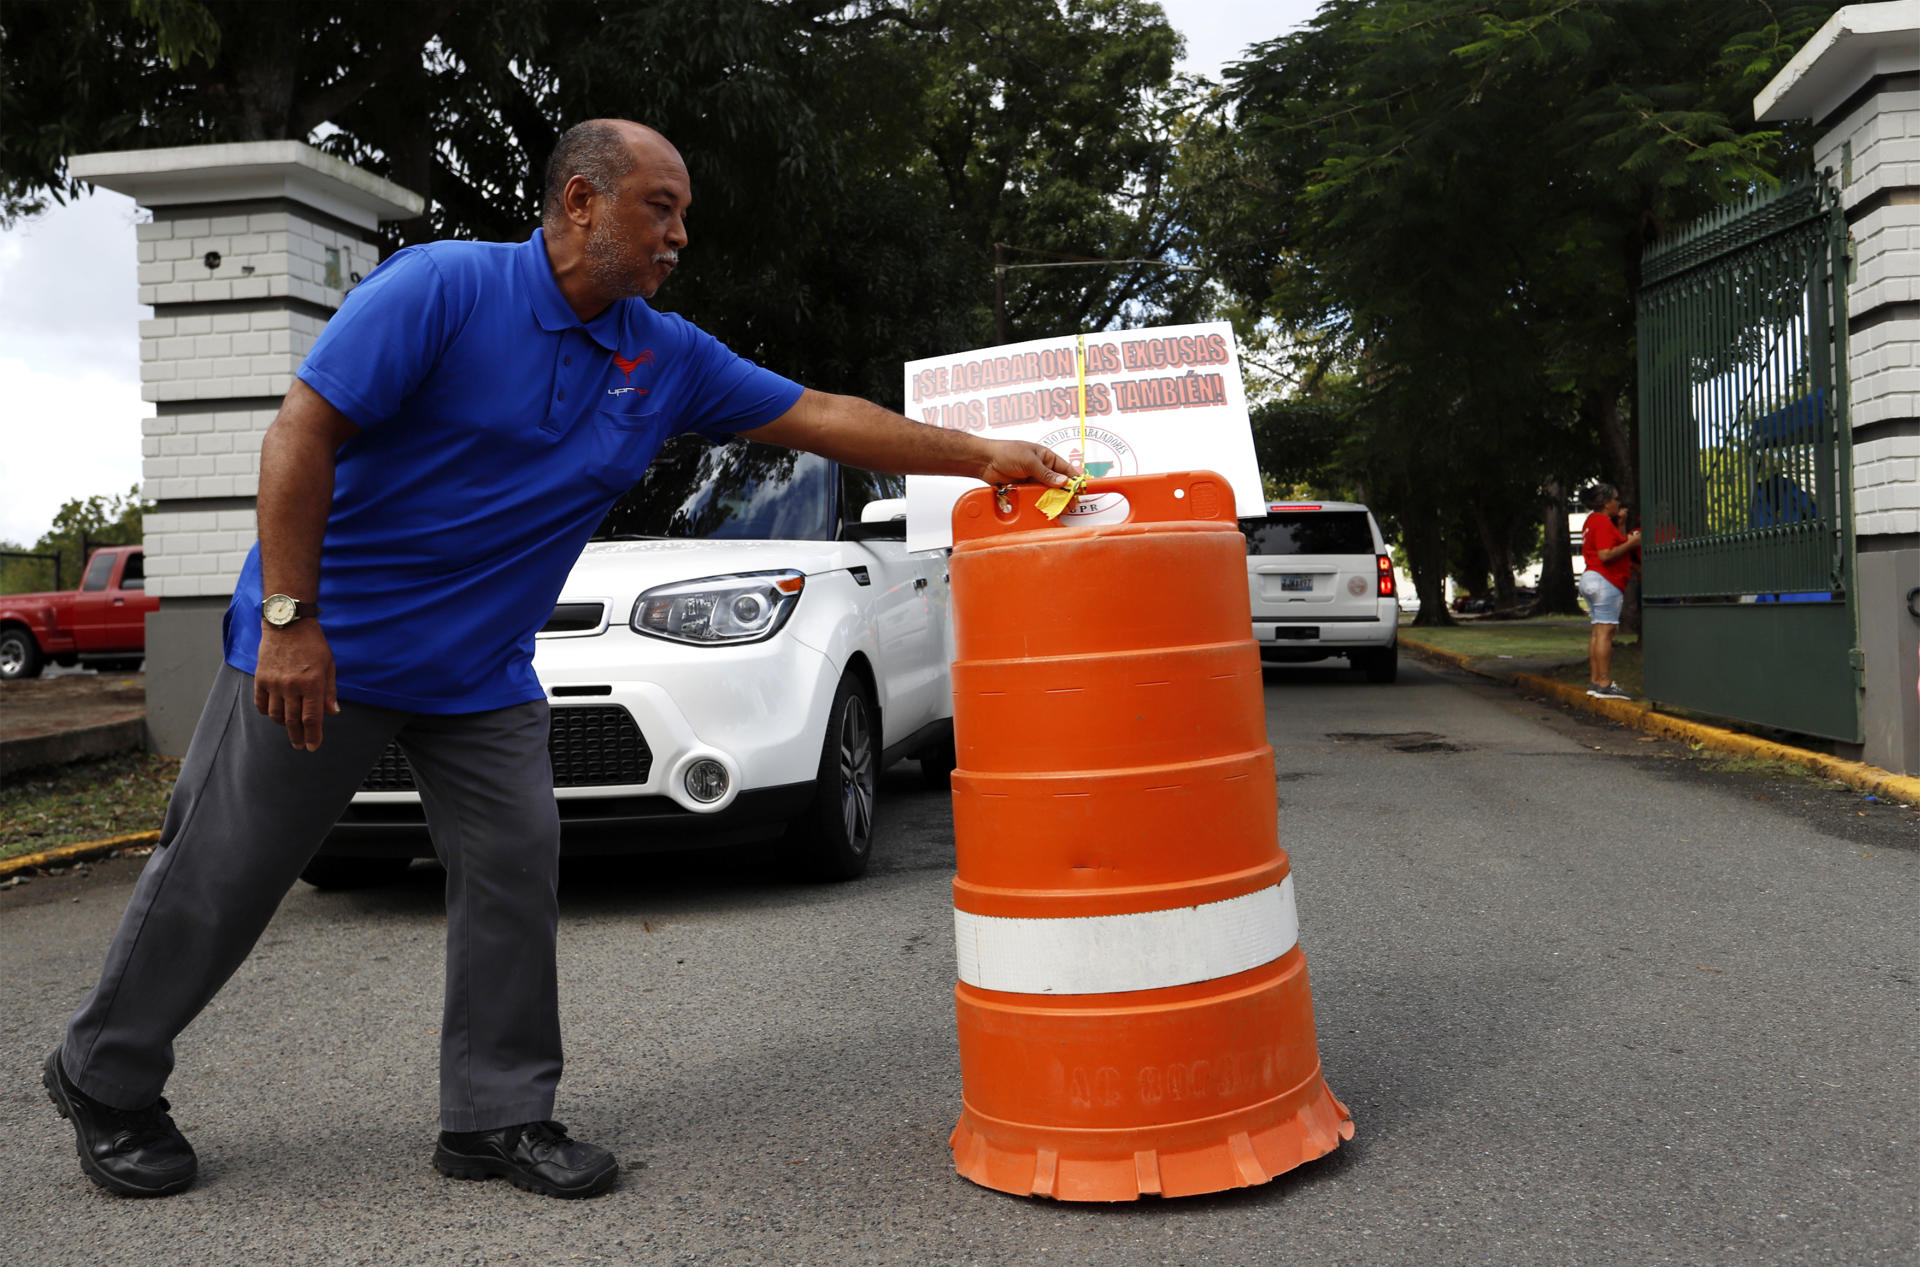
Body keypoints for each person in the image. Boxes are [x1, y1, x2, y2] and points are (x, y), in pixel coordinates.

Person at [43, 119, 1076, 1202]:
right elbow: (298, 434)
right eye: (659, 208)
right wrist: (293, 623)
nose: (679, 235)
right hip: (330, 645)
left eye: (684, 215)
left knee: (513, 867)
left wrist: (977, 455)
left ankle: (497, 1115)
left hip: (480, 670)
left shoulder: (661, 354)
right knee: (225, 870)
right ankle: (104, 1074)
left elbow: (819, 414)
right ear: (580, 201)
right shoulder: (441, 290)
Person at [1578, 483, 1640, 700]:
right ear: (1606, 503)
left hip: (1592, 579)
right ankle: (1605, 682)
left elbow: (1617, 545)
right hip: (1605, 581)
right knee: (1606, 633)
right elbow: (1606, 554)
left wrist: (1622, 527)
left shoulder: (1593, 521)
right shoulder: (1603, 522)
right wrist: (1634, 542)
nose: (1618, 503)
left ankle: (1596, 681)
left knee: (1598, 632)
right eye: (1615, 499)